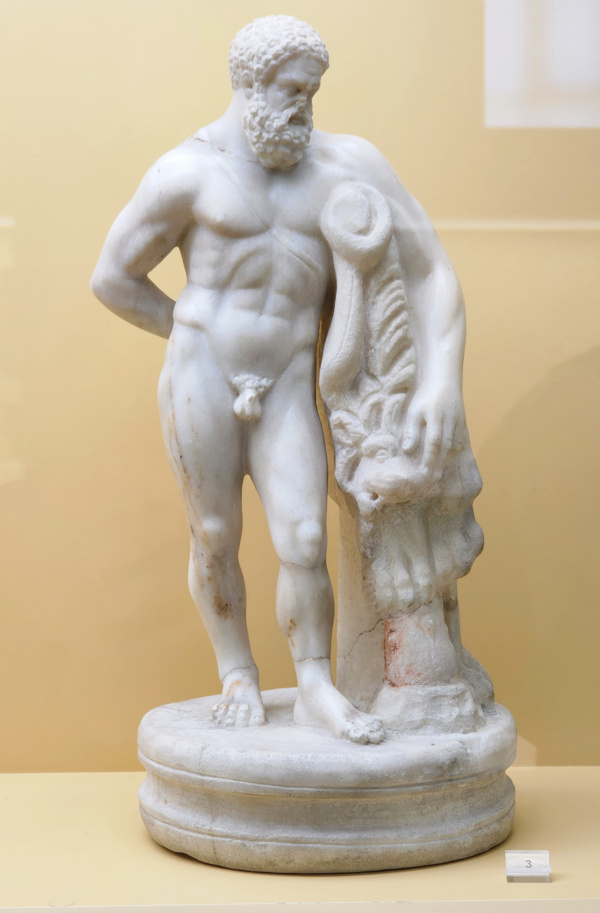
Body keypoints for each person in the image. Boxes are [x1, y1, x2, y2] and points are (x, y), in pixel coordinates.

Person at [91, 16, 466, 743]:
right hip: (203, 373)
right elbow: (112, 278)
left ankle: (316, 683)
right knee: (213, 533)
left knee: (302, 536)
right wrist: (194, 333)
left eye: (314, 91)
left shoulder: (346, 166)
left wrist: (439, 382)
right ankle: (237, 672)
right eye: (293, 90)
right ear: (250, 84)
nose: (305, 106)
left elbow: (432, 272)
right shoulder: (186, 172)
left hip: (289, 376)